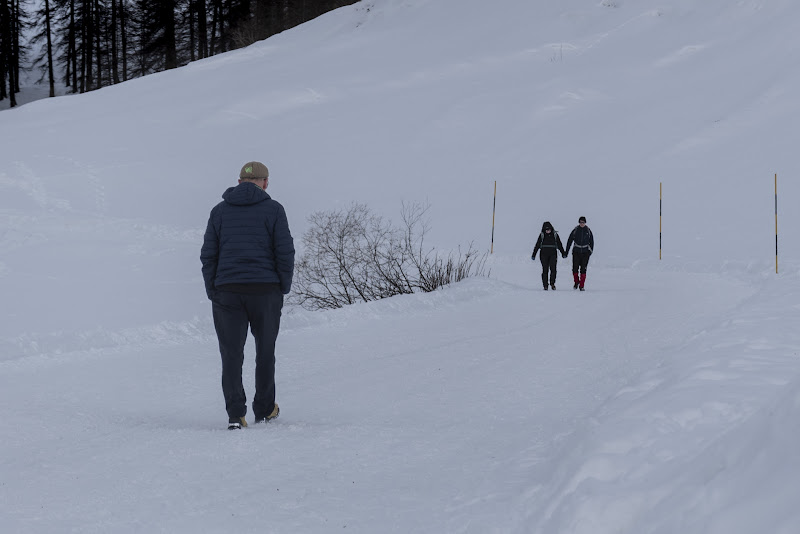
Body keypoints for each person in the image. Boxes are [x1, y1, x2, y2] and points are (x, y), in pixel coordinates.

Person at [201, 161, 295, 430]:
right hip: (266, 291)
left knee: (231, 354)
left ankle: (236, 416)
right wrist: (282, 287)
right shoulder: (275, 210)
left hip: (228, 293)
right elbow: (285, 253)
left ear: (240, 182)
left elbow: (209, 255)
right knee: (265, 352)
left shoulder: (219, 212)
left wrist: (214, 289)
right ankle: (265, 409)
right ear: (266, 182)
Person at [531, 221, 566, 290]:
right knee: (545, 269)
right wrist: (534, 254)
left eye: (549, 229)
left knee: (553, 269)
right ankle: (545, 285)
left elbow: (559, 244)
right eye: (546, 229)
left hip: (553, 254)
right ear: (544, 229)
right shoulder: (542, 235)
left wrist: (563, 253)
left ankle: (552, 283)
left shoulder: (555, 235)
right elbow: (537, 245)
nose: (548, 231)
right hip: (543, 254)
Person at [564, 216, 594, 291]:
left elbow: (592, 242)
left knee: (583, 269)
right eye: (580, 222)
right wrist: (566, 252)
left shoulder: (588, 231)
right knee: (575, 268)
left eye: (583, 222)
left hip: (585, 253)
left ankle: (581, 285)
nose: (582, 224)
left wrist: (589, 252)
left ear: (585, 223)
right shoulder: (575, 230)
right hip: (576, 252)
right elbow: (569, 241)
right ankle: (576, 282)